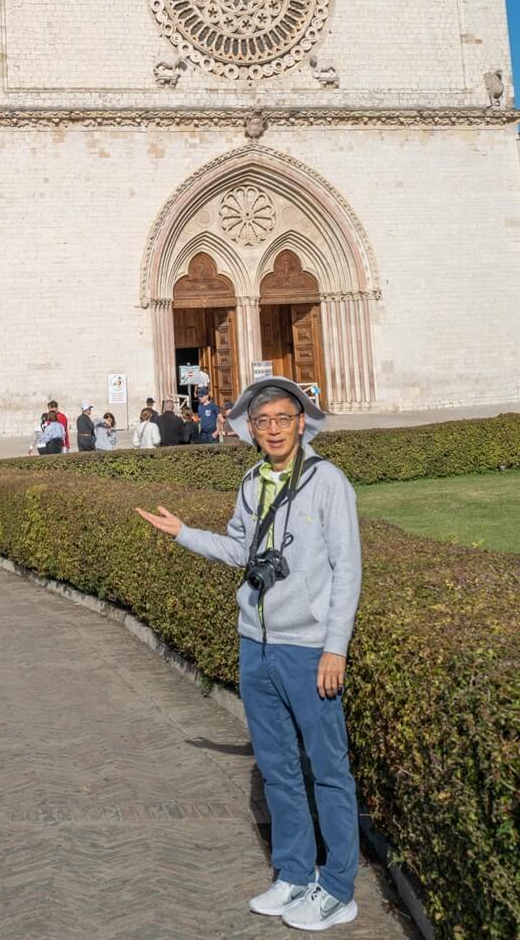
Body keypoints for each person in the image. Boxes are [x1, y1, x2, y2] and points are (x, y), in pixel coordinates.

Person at [136, 378, 362, 931]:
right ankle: (293, 874)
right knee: (279, 768)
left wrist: (335, 648)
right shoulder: (252, 481)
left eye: (284, 419)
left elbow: (347, 569)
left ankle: (338, 887)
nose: (274, 430)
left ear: (302, 422)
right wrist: (184, 533)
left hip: (308, 648)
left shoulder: (328, 482)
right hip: (256, 644)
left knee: (327, 770)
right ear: (251, 430)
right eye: (263, 422)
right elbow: (241, 549)